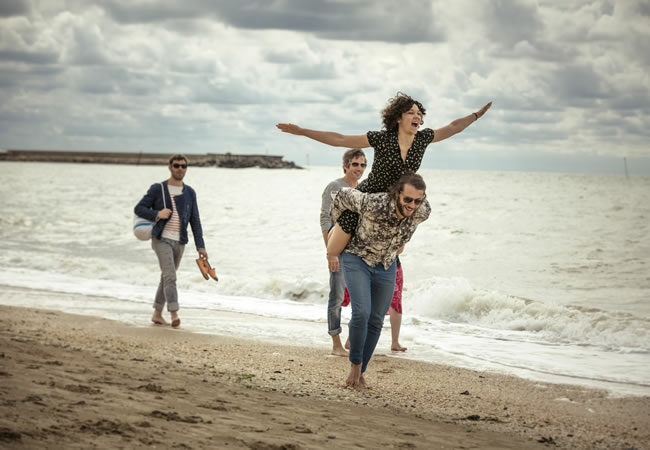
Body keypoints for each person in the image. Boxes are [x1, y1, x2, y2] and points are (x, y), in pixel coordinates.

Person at [277, 92, 492, 272]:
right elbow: (341, 139)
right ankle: (333, 242)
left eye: (419, 113)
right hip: (370, 194)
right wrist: (302, 131)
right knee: (337, 245)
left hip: (396, 200)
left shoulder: (423, 139)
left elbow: (453, 127)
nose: (416, 116)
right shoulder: (382, 138)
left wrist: (476, 115)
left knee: (417, 217)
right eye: (411, 112)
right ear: (398, 118)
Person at [329, 172, 431, 388]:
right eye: (407, 200)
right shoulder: (375, 204)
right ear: (396, 195)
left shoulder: (423, 211)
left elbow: (410, 225)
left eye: (417, 200)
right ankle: (355, 366)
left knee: (376, 319)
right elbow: (341, 197)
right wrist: (339, 229)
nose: (412, 205)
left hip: (386, 264)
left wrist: (399, 243)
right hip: (357, 256)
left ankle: (361, 370)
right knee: (362, 312)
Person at [134, 154, 208, 328]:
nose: (180, 169)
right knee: (170, 276)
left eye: (183, 166)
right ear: (170, 167)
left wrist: (201, 246)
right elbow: (139, 208)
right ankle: (174, 313)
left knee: (166, 278)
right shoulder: (158, 188)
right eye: (176, 165)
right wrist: (157, 214)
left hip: (180, 241)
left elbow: (195, 220)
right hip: (161, 238)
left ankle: (157, 313)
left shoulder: (190, 192)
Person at [320, 149, 367, 356]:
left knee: (362, 299)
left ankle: (352, 340)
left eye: (363, 165)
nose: (359, 169)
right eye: (355, 164)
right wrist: (331, 253)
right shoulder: (334, 187)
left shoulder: (364, 190)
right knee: (337, 296)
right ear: (346, 165)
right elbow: (325, 218)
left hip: (359, 253)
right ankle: (336, 344)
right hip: (338, 250)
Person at [342, 256, 407, 352]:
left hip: (391, 266)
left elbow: (399, 248)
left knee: (396, 303)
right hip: (365, 266)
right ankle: (351, 340)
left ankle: (395, 342)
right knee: (364, 306)